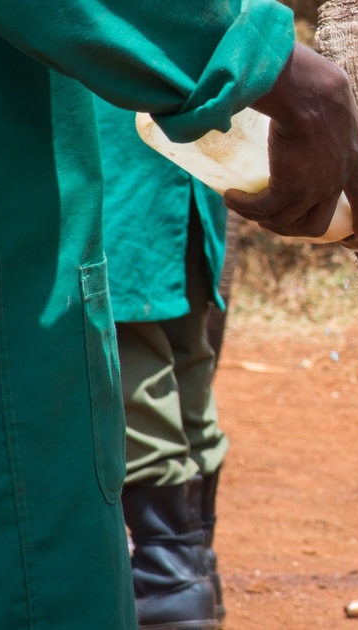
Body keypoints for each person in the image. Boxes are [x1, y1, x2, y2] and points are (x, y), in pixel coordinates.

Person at [0, 2, 358, 627]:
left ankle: (172, 572)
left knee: (150, 372)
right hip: (139, 154)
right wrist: (268, 63)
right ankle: (175, 571)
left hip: (128, 170)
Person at [95, 93, 235, 628]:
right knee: (185, 365)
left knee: (136, 366)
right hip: (185, 160)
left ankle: (165, 572)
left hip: (118, 163)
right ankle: (196, 570)